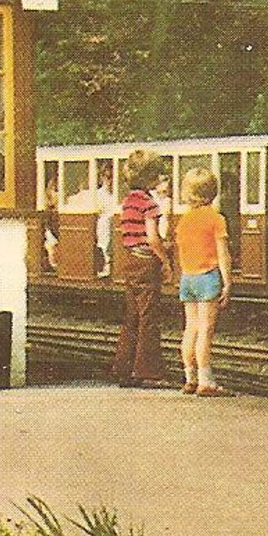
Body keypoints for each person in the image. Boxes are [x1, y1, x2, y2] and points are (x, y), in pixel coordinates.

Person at [110, 149, 172, 388]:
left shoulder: (128, 201)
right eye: (158, 174)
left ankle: (123, 367)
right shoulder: (149, 204)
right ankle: (147, 371)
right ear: (149, 177)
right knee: (149, 315)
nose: (161, 179)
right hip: (146, 262)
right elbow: (153, 237)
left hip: (129, 260)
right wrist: (165, 260)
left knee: (132, 315)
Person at [173, 167, 233, 396]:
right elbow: (222, 254)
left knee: (191, 329)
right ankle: (206, 381)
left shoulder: (184, 221)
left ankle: (190, 378)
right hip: (207, 277)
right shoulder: (216, 219)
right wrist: (227, 282)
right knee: (206, 331)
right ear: (213, 192)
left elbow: (181, 252)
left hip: (187, 278)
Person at [93, 162, 117, 277]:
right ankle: (105, 266)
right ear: (102, 177)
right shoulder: (98, 194)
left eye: (113, 177)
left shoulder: (117, 194)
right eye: (108, 177)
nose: (110, 181)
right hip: (104, 225)